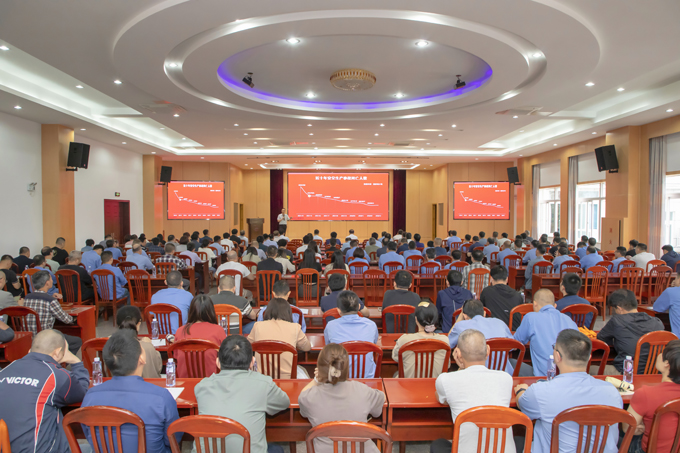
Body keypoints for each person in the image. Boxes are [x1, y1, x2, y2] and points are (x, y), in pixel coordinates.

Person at [515, 330, 623, 453]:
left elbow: (522, 404)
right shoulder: (612, 392)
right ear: (589, 358)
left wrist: (521, 390)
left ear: (557, 356)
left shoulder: (540, 392)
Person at [81, 330, 180, 453]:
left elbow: (89, 434)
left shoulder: (90, 397)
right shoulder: (161, 397)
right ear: (141, 359)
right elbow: (174, 438)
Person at [195, 336, 289, 453]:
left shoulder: (201, 387)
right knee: (277, 449)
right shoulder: (264, 384)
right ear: (252, 362)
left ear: (218, 363)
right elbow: (284, 402)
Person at [0, 329, 89, 453]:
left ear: (30, 350)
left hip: (5, 448)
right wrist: (76, 362)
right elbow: (82, 392)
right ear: (57, 352)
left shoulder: (5, 370)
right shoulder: (57, 376)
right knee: (91, 448)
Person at [430, 329, 515, 453]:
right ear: (488, 350)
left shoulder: (446, 380)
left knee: (438, 445)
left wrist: (461, 368)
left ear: (458, 353)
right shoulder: (506, 379)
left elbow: (440, 397)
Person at [299, 343, 386, 453]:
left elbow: (302, 396)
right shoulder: (362, 390)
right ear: (345, 367)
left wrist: (316, 380)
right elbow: (380, 405)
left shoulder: (309, 397)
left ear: (320, 368)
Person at [625, 339, 680, 453]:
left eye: (662, 352)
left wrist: (643, 426)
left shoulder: (645, 393)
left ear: (667, 363)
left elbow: (627, 428)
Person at [597, 289, 664, 374]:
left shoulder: (617, 321)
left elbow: (601, 339)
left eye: (614, 309)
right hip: (655, 372)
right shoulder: (657, 322)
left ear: (619, 308)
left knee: (591, 369)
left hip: (628, 373)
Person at [513, 289, 579, 376]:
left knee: (510, 362)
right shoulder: (569, 320)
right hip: (569, 375)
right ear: (555, 306)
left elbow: (515, 344)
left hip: (544, 377)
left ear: (534, 304)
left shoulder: (531, 318)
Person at [248, 298, 311, 379]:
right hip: (288, 379)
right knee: (303, 370)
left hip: (261, 377)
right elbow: (307, 347)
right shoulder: (295, 327)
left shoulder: (257, 326)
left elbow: (247, 345)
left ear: (267, 311)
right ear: (288, 313)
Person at [448, 299, 514, 373]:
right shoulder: (500, 323)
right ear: (484, 313)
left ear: (465, 316)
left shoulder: (460, 326)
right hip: (503, 374)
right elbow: (513, 347)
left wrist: (460, 317)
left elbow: (447, 343)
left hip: (474, 374)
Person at [23, 271, 81, 353]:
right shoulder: (50, 300)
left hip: (29, 337)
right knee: (77, 341)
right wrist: (74, 319)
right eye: (51, 279)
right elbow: (67, 320)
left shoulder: (27, 297)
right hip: (45, 338)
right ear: (47, 283)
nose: (52, 281)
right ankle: (58, 360)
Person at [324, 291, 379, 378]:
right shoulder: (371, 325)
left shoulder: (330, 326)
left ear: (338, 310)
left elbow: (328, 347)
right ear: (359, 307)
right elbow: (374, 345)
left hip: (339, 379)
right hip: (368, 381)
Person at [173, 295, 226, 378]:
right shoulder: (218, 330)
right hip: (211, 380)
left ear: (191, 311)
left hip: (184, 380)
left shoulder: (180, 331)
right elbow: (224, 357)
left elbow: (176, 357)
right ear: (211, 311)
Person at [393, 302, 450, 378]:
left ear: (416, 319)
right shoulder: (445, 341)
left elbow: (396, 358)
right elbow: (447, 365)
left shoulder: (404, 340)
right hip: (436, 384)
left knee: (396, 374)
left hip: (409, 384)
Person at [116, 305, 162, 378]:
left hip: (118, 385)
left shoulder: (110, 347)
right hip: (147, 384)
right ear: (139, 323)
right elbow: (158, 368)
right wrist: (150, 345)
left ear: (118, 325)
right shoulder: (147, 347)